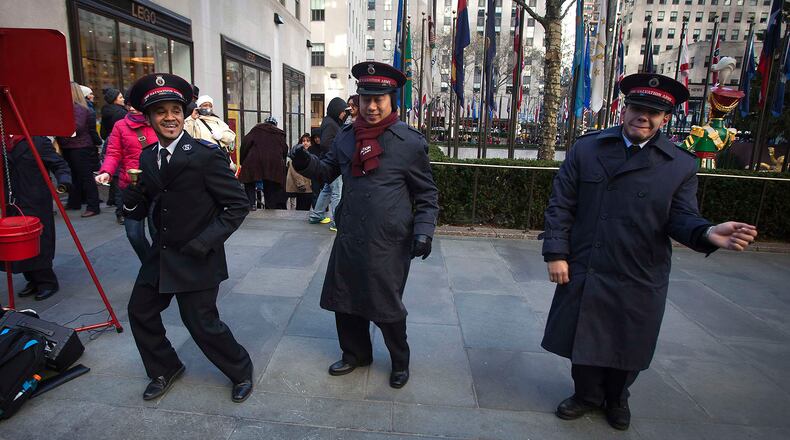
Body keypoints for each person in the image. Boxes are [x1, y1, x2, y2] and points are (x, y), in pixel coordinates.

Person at [540, 73, 758, 431]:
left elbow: (682, 217)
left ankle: (617, 398)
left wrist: (706, 232)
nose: (643, 116)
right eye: (637, 108)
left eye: (653, 112)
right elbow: (561, 204)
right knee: (585, 336)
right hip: (588, 262)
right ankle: (586, 395)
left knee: (630, 341)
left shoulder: (680, 164)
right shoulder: (587, 149)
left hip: (640, 269)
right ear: (623, 110)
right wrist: (556, 253)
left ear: (665, 118)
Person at [291, 61, 439, 389]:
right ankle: (356, 354)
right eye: (365, 99)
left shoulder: (408, 142)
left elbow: (427, 193)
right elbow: (326, 171)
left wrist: (424, 231)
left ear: (391, 100)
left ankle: (400, 361)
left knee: (386, 305)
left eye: (379, 100)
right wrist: (303, 161)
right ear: (357, 100)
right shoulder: (347, 136)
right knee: (345, 299)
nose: (371, 107)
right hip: (350, 235)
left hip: (389, 240)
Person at [121, 73, 253, 403]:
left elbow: (237, 205)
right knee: (140, 310)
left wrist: (205, 242)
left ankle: (240, 370)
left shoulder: (206, 155)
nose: (170, 117)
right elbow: (144, 206)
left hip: (198, 255)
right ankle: (165, 367)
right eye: (161, 112)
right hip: (162, 254)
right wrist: (131, 198)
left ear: (184, 114)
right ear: (149, 118)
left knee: (201, 323)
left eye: (175, 110)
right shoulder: (148, 157)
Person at [1, 136, 71, 301]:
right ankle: (31, 279)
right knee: (18, 242)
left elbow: (59, 164)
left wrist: (64, 181)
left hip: (35, 199)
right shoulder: (3, 143)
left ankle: (47, 281)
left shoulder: (38, 141)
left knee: (40, 241)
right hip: (11, 201)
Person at [95, 105, 157, 261]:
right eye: (130, 103)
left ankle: (159, 269)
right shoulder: (120, 125)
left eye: (137, 104)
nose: (132, 107)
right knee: (134, 234)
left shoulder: (158, 121)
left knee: (158, 233)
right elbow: (113, 153)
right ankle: (149, 265)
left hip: (156, 187)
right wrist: (106, 171)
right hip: (130, 187)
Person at [58, 82, 102, 217]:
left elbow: (77, 127)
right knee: (75, 177)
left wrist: (60, 129)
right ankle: (75, 201)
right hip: (72, 146)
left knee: (85, 177)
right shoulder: (74, 108)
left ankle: (93, 206)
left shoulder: (79, 109)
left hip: (80, 147)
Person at [307, 97, 348, 230]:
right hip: (334, 162)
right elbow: (326, 143)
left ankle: (316, 215)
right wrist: (337, 154)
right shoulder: (331, 124)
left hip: (328, 161)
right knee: (337, 192)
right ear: (337, 110)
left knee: (327, 190)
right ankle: (336, 222)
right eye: (343, 111)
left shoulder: (329, 121)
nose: (344, 114)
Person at [238, 116, 288, 210]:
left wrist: (242, 161)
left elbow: (245, 144)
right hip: (273, 164)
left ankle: (251, 203)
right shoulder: (279, 134)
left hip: (253, 161)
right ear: (275, 125)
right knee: (270, 184)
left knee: (249, 181)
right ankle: (270, 206)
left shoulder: (256, 130)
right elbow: (285, 150)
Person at [100, 87, 128, 214]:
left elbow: (103, 132)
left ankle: (114, 201)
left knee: (116, 177)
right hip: (120, 145)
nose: (123, 99)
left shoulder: (106, 111)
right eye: (120, 97)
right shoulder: (121, 115)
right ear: (114, 99)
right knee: (119, 180)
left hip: (109, 142)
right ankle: (120, 210)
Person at [285, 133, 315, 211]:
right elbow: (294, 170)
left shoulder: (312, 154)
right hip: (300, 187)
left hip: (309, 187)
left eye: (308, 141)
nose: (305, 143)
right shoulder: (296, 153)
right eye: (303, 141)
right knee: (301, 209)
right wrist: (300, 183)